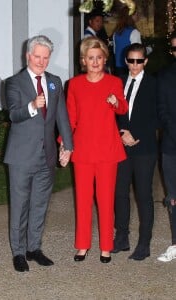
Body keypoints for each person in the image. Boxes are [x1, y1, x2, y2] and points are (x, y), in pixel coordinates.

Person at [4, 35, 73, 272]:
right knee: (20, 205)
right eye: (37, 57)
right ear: (28, 56)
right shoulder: (14, 82)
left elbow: (62, 116)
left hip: (47, 155)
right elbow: (13, 114)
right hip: (21, 156)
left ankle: (34, 248)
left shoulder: (54, 82)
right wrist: (32, 106)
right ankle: (19, 252)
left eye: (46, 57)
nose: (41, 62)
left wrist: (68, 145)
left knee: (40, 204)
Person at [67, 36, 128, 263]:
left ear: (105, 59)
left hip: (107, 150)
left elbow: (123, 108)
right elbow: (70, 116)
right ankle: (82, 245)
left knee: (105, 199)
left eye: (99, 58)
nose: (95, 62)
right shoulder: (74, 84)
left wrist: (115, 102)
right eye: (90, 58)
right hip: (82, 150)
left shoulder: (114, 82)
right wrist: (64, 142)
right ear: (83, 61)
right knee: (82, 199)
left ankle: (106, 247)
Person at [113, 43, 158, 261]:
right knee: (119, 193)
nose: (134, 65)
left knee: (143, 195)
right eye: (131, 60)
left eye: (139, 61)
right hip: (121, 145)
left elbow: (158, 116)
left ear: (145, 61)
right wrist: (122, 133)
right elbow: (111, 113)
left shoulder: (153, 84)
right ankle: (121, 237)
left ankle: (144, 244)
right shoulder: (118, 82)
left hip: (144, 148)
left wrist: (134, 134)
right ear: (126, 61)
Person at [157, 31, 176, 262]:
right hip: (172, 146)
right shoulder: (164, 77)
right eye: (174, 49)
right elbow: (162, 111)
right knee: (174, 197)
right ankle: (175, 243)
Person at [112, 7, 142, 76]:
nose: (137, 16)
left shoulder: (116, 33)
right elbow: (138, 53)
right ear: (130, 16)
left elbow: (115, 51)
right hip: (130, 67)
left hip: (118, 68)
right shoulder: (134, 32)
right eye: (136, 14)